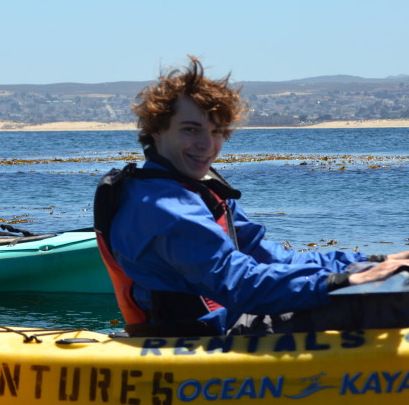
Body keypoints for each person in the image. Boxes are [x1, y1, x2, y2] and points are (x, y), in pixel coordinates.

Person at [94, 56, 409, 336]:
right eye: (191, 129)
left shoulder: (196, 190)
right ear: (157, 130)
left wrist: (368, 262)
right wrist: (339, 282)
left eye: (217, 132)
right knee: (387, 305)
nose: (207, 145)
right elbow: (240, 285)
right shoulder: (163, 207)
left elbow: (270, 258)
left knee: (377, 288)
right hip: (200, 337)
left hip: (227, 320)